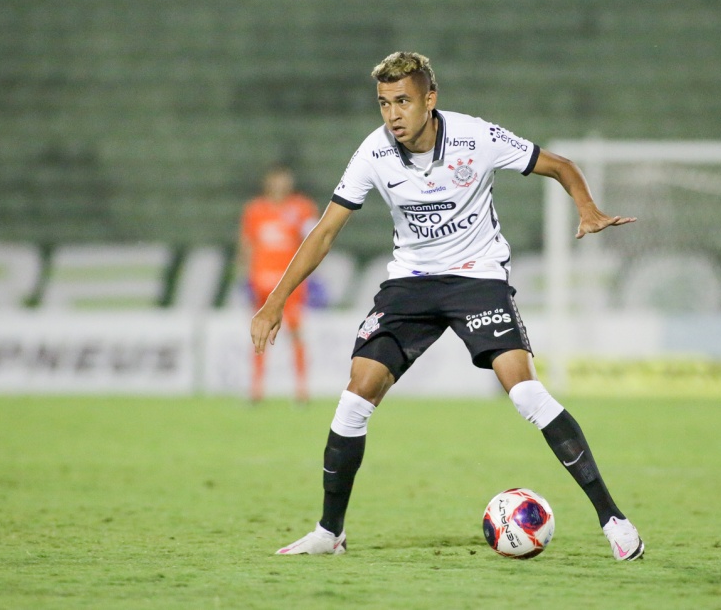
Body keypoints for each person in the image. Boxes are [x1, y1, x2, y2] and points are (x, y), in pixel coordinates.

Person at [251, 52, 644, 561]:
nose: (393, 114)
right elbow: (324, 230)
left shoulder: (475, 136)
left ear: (430, 100)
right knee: (353, 402)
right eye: (384, 103)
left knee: (525, 393)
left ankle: (614, 520)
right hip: (411, 285)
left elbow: (560, 165)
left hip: (476, 279)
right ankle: (330, 533)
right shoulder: (373, 151)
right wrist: (274, 302)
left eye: (403, 102)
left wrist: (587, 208)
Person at [239, 164, 318, 403]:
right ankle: (256, 389)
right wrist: (246, 275)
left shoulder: (302, 208)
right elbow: (246, 243)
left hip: (289, 283)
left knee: (295, 333)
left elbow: (314, 241)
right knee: (259, 335)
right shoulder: (255, 210)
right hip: (261, 281)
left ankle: (302, 389)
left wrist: (309, 274)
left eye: (283, 180)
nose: (279, 184)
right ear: (267, 182)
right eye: (275, 180)